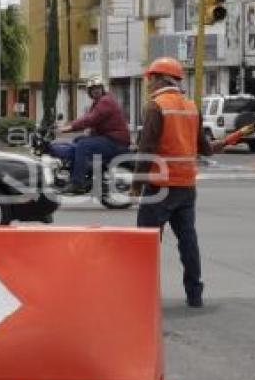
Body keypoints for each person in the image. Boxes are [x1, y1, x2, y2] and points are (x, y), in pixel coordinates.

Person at [130, 57, 224, 308]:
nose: (148, 83)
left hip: (159, 187)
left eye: (150, 78)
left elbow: (146, 148)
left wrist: (136, 184)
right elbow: (204, 148)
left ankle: (142, 296)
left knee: (146, 244)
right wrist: (219, 145)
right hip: (186, 187)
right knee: (188, 241)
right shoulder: (192, 107)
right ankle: (195, 295)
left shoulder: (155, 106)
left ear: (160, 78)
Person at [57, 76, 131, 194]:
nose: (96, 90)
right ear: (89, 92)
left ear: (102, 89)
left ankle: (77, 183)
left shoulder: (105, 101)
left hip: (116, 141)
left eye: (98, 88)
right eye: (92, 89)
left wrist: (69, 127)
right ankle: (89, 172)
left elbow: (91, 119)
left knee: (83, 145)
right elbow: (90, 120)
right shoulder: (97, 103)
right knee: (78, 140)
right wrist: (69, 126)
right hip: (109, 138)